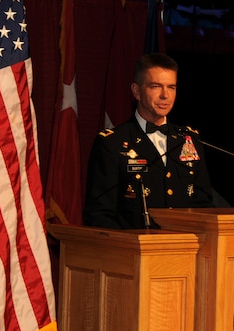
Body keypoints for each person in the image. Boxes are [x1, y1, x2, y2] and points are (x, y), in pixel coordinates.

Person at [83, 53, 214, 229]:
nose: (165, 95)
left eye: (171, 87)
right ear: (136, 91)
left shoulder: (189, 140)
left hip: (186, 251)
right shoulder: (112, 143)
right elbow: (99, 215)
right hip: (134, 252)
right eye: (156, 86)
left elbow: (204, 206)